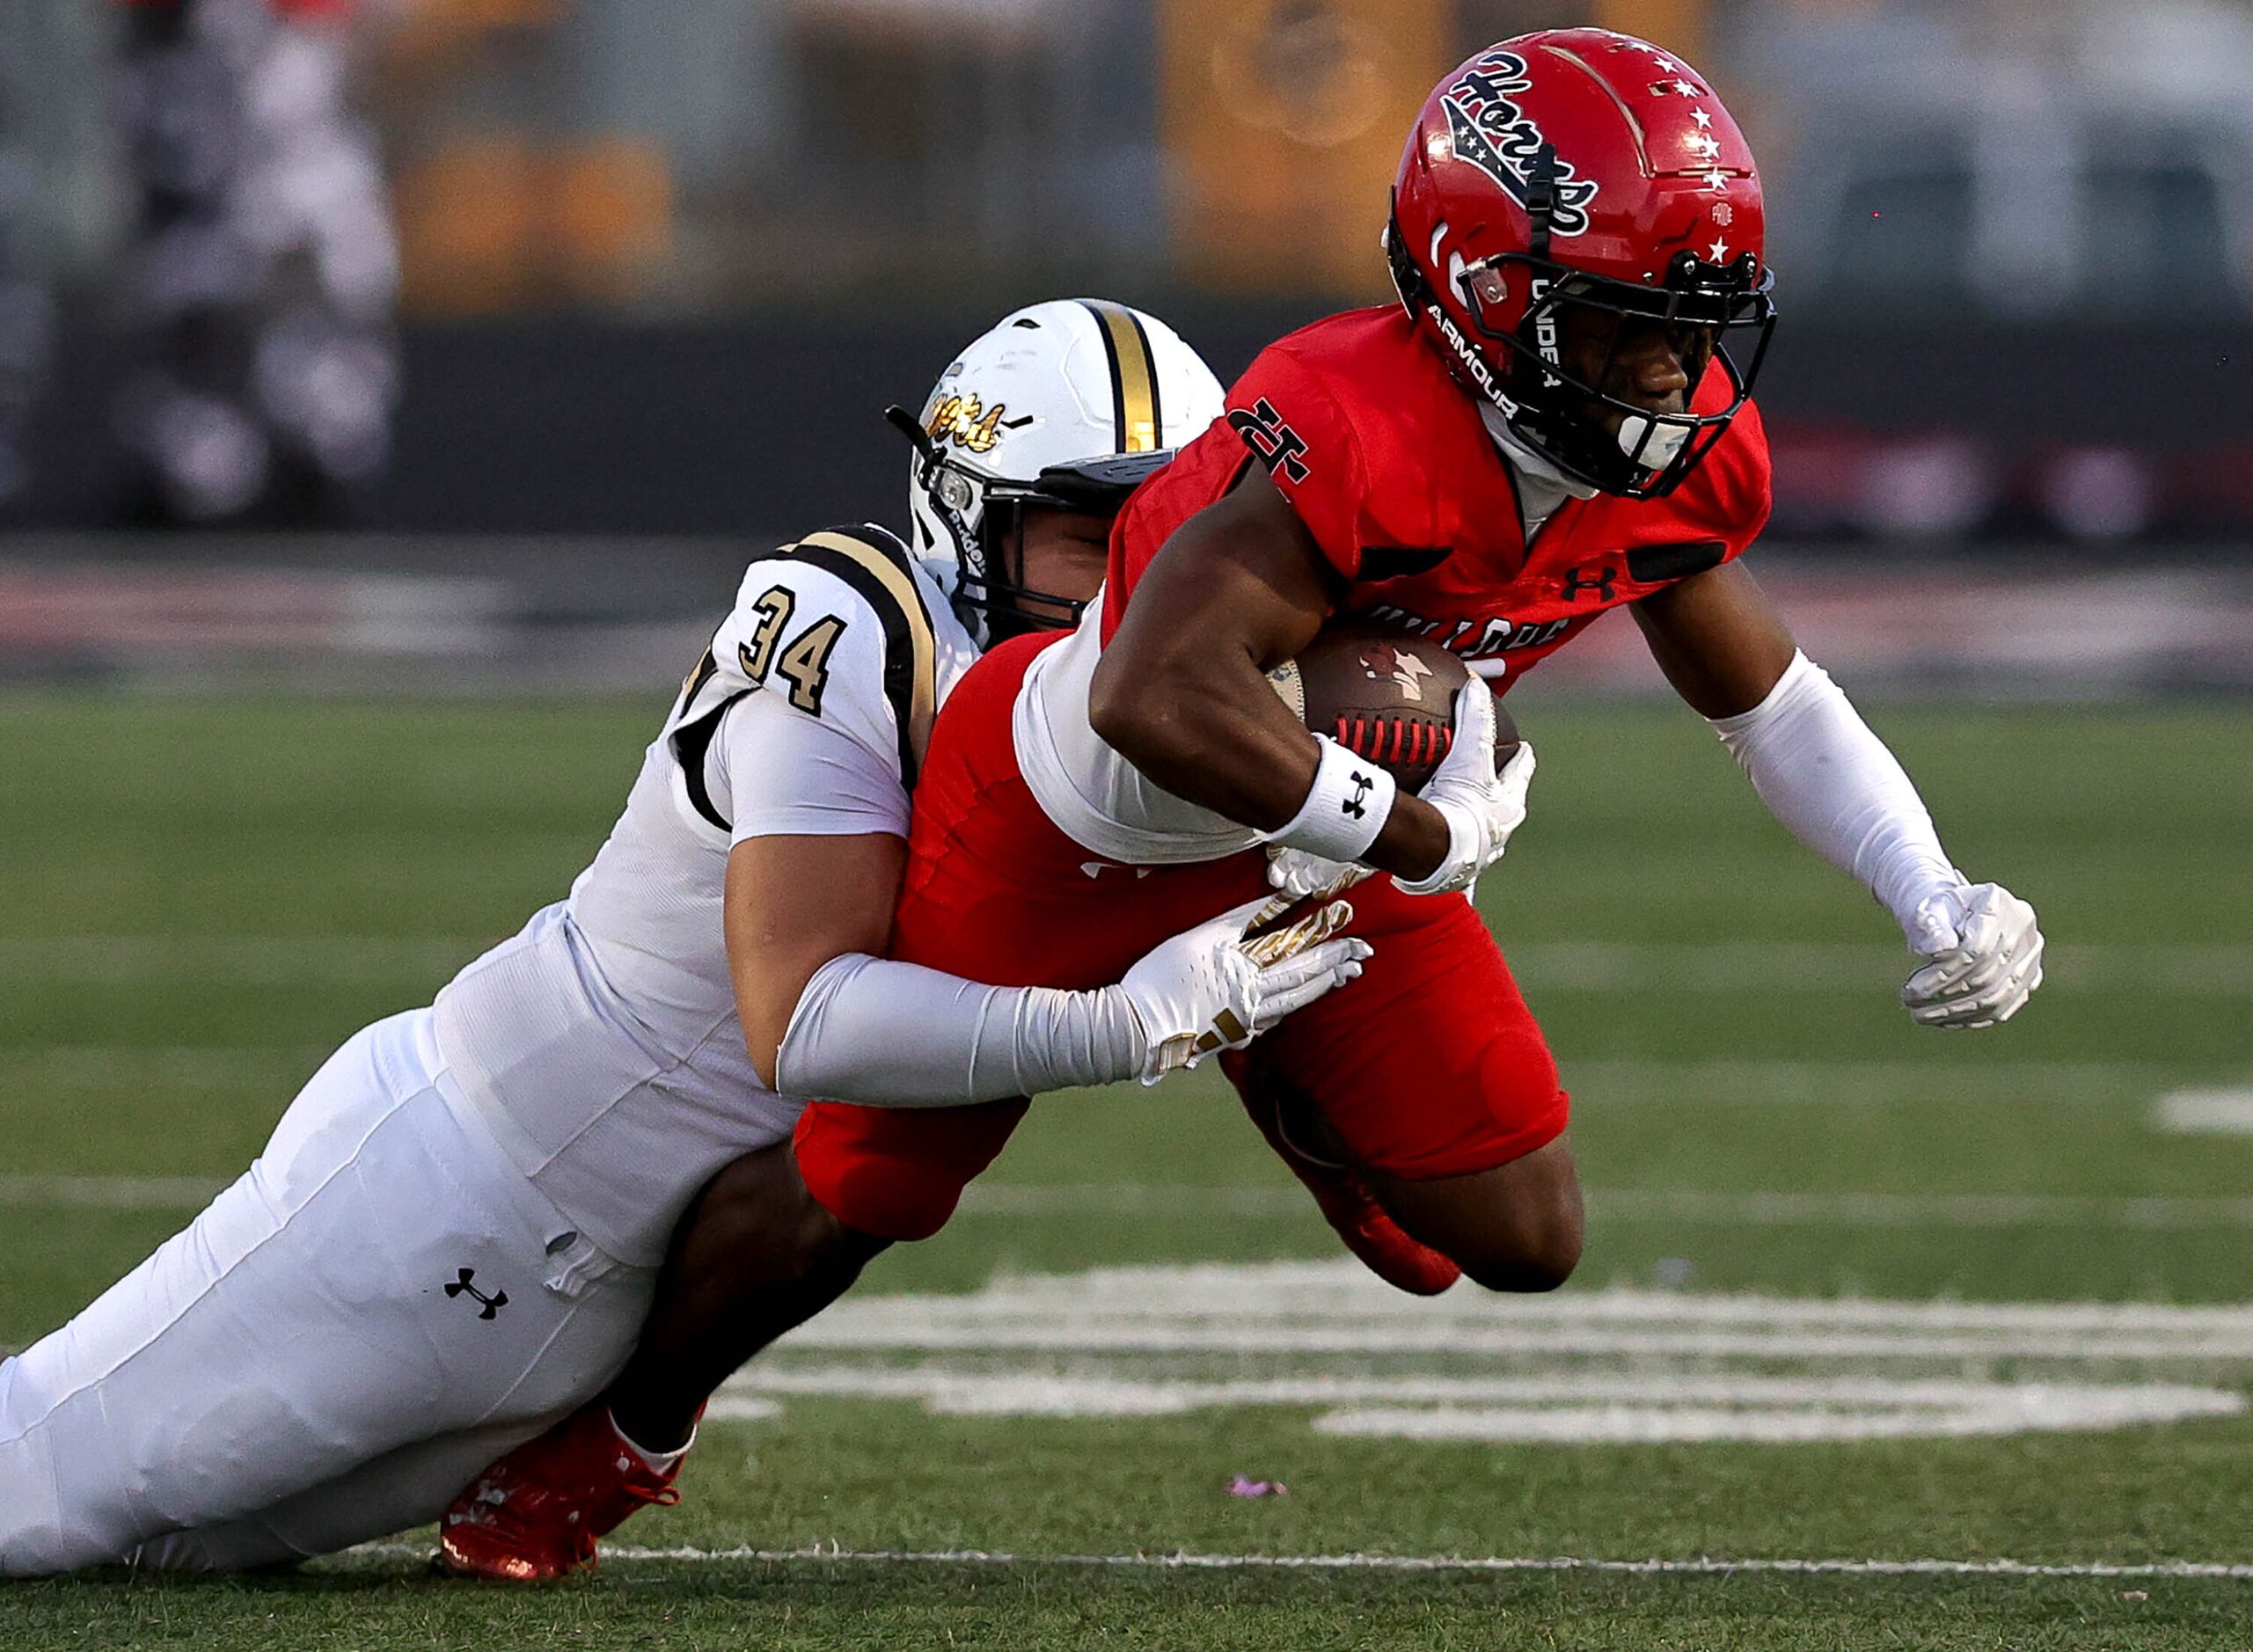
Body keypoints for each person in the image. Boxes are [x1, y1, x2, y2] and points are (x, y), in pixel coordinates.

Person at [443, 28, 2047, 1578]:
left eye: (1693, 325)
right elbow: (1153, 690)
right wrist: (1412, 832)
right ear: (1483, 291)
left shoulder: (1669, 454)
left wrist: (1928, 882)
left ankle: (1282, 1066)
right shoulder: (1354, 421)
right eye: (1626, 324)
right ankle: (627, 1435)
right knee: (858, 1191)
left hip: (1306, 827)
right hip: (1072, 816)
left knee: (1515, 1230)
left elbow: (1765, 693)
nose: (1668, 374)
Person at [0, 300, 1366, 1575]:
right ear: (967, 520)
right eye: (1088, 538)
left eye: (1160, 538)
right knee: (31, 1493)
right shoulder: (854, 619)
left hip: (590, 1317)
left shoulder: (1145, 710)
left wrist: (1451, 796)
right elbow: (804, 1023)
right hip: (447, 1197)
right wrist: (1128, 1023)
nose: (1126, 589)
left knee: (153, 1559)